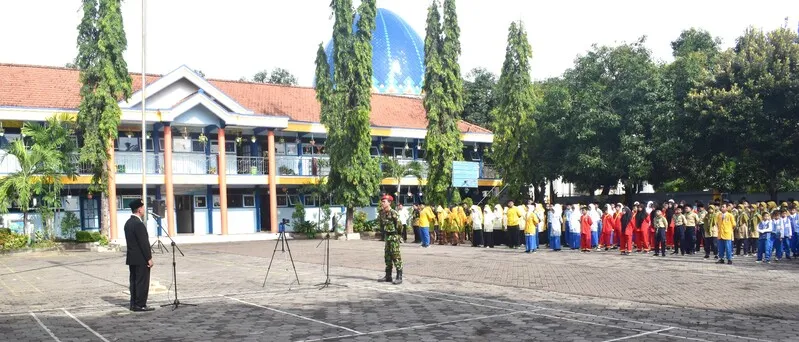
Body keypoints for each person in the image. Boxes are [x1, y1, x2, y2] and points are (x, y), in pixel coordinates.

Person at [124, 199, 154, 312]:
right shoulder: (138, 224)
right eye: (143, 208)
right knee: (142, 282)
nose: (144, 210)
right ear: (140, 209)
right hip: (141, 258)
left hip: (132, 258)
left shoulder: (128, 223)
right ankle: (140, 304)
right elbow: (144, 243)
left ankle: (134, 304)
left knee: (134, 282)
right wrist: (149, 258)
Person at [377, 195, 403, 285]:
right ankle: (388, 276)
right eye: (382, 201)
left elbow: (399, 226)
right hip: (387, 237)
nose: (382, 203)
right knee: (387, 256)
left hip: (394, 237)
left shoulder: (393, 213)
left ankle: (399, 276)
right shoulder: (382, 213)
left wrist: (398, 236)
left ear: (389, 202)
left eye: (384, 201)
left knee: (396, 256)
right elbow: (381, 224)